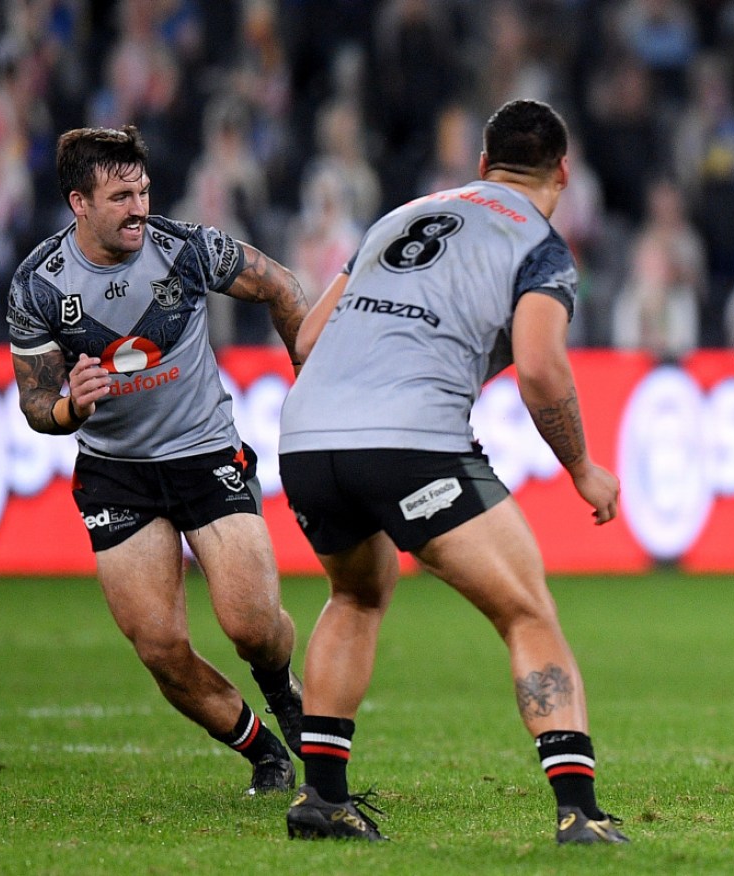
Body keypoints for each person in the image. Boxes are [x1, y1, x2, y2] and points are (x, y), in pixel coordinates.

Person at [278, 99, 629, 844]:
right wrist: (582, 468)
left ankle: (322, 797)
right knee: (527, 613)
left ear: (481, 164)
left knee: (357, 594)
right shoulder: (538, 243)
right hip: (412, 441)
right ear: (562, 173)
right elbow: (540, 369)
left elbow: (308, 337)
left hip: (306, 438)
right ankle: (579, 810)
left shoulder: (398, 217)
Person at [6, 125, 309, 796]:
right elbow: (35, 401)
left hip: (203, 451)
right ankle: (263, 752)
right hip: (117, 472)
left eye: (143, 191)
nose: (140, 208)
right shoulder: (39, 284)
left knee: (251, 624)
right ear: (78, 203)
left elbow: (283, 287)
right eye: (121, 197)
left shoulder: (186, 249)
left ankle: (284, 690)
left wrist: (311, 380)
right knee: (162, 651)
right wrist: (68, 410)